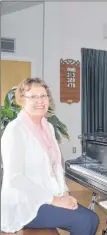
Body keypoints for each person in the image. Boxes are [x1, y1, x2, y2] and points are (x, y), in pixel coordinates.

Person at [1, 78, 99, 234]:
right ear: (21, 100)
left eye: (44, 96)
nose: (40, 101)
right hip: (24, 202)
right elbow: (15, 179)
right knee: (84, 221)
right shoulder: (15, 130)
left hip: (47, 195)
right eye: (33, 96)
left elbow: (56, 167)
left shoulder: (48, 127)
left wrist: (65, 194)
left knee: (93, 218)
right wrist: (55, 200)